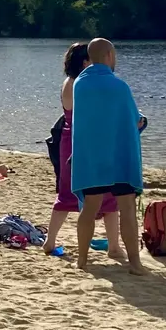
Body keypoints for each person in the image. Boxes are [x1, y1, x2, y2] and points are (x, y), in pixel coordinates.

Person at [70, 38, 147, 275]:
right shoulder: (119, 86)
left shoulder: (79, 85)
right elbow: (132, 119)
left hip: (91, 156)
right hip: (119, 155)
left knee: (90, 208)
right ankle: (134, 262)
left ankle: (82, 259)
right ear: (110, 56)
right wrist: (141, 121)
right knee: (127, 208)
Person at [45, 43, 123, 260]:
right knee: (107, 196)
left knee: (67, 195)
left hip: (70, 141)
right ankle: (114, 246)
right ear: (85, 62)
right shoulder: (80, 83)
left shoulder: (69, 82)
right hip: (83, 143)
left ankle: (50, 241)